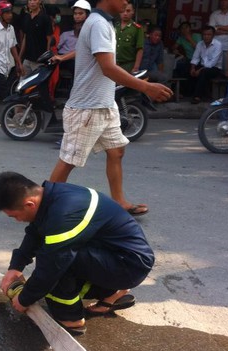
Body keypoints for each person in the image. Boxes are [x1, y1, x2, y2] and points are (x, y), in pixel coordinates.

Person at [0, 172, 155, 334]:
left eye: (15, 216)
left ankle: (71, 318)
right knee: (54, 254)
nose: (17, 220)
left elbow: (51, 266)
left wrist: (24, 299)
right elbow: (35, 232)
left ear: (29, 204)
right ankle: (111, 293)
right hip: (119, 256)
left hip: (128, 265)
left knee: (54, 264)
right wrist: (15, 267)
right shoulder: (54, 196)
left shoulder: (65, 214)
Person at [48, 0, 172, 217]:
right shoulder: (97, 24)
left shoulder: (104, 23)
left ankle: (119, 202)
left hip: (105, 104)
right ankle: (44, 210)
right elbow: (108, 68)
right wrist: (146, 87)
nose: (126, 1)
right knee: (69, 160)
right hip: (88, 107)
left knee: (116, 151)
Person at [50, 0, 90, 75]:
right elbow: (57, 46)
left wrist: (62, 57)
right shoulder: (66, 34)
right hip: (65, 58)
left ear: (87, 15)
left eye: (80, 13)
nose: (77, 16)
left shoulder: (89, 30)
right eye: (75, 14)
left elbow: (81, 50)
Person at [189, 25, 223, 104]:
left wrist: (200, 70)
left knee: (203, 72)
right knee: (187, 68)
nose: (206, 37)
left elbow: (212, 63)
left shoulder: (218, 45)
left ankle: (197, 96)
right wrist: (193, 68)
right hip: (203, 66)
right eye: (204, 34)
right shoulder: (200, 44)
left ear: (213, 35)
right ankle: (187, 92)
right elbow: (195, 57)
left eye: (209, 35)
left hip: (215, 68)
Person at [19, 0, 52, 77]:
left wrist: (46, 59)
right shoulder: (26, 17)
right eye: (30, 0)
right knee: (23, 84)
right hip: (27, 59)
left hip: (40, 61)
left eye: (35, 0)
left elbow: (49, 39)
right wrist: (19, 58)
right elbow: (25, 38)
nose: (32, 2)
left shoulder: (45, 18)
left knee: (38, 87)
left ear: (40, 1)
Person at [208, 0, 228, 70]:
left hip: (227, 46)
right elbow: (211, 30)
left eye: (225, 1)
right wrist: (227, 31)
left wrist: (218, 26)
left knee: (226, 69)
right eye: (221, 1)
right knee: (214, 68)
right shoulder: (214, 14)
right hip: (215, 46)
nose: (223, 2)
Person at [115, 1, 143, 73]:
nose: (125, 13)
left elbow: (140, 49)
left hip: (128, 65)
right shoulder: (114, 26)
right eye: (123, 11)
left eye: (128, 11)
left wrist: (136, 67)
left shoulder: (137, 28)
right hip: (114, 64)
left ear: (133, 12)